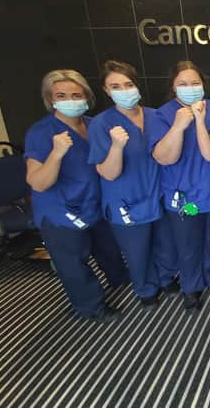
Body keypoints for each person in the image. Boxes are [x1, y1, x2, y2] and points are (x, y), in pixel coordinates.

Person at [25, 69, 129, 321]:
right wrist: (56, 153)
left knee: (109, 249)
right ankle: (90, 307)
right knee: (73, 263)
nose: (71, 100)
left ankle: (120, 281)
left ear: (87, 96)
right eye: (62, 95)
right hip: (61, 211)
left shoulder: (95, 125)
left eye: (76, 94)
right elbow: (38, 182)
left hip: (94, 204)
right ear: (51, 99)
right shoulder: (42, 132)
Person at [87, 60, 178, 310]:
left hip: (158, 193)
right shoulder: (101, 124)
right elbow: (107, 172)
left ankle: (166, 277)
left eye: (128, 84)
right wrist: (117, 146)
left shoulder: (154, 115)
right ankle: (145, 289)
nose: (124, 90)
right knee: (137, 251)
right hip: (125, 199)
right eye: (115, 86)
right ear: (106, 91)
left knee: (166, 244)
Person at [146, 61, 210, 312]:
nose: (190, 88)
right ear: (173, 87)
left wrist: (200, 120)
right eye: (183, 84)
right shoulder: (162, 115)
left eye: (195, 83)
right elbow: (163, 157)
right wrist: (179, 126)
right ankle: (191, 287)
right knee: (188, 243)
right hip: (185, 199)